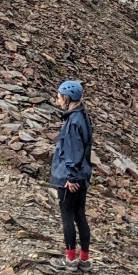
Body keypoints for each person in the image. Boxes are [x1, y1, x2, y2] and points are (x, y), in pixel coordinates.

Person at [48, 79, 94, 265]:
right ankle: (84, 258)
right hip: (82, 175)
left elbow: (73, 150)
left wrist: (71, 177)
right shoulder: (82, 116)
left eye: (59, 97)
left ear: (67, 98)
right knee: (80, 215)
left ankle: (70, 259)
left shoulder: (73, 122)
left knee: (68, 215)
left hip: (70, 177)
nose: (58, 100)